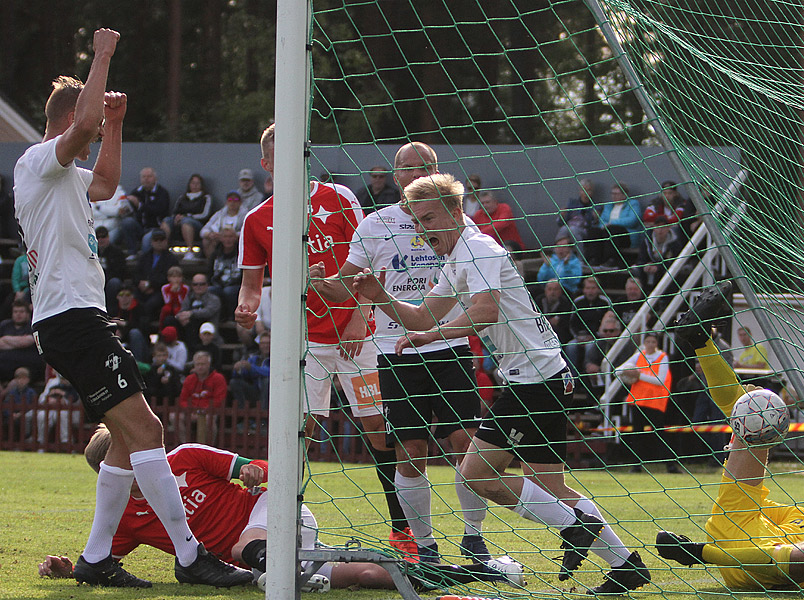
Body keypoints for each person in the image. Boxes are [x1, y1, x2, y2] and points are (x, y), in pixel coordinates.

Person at [12, 28, 248, 589]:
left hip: (74, 318)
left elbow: (110, 180)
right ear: (68, 119)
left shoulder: (64, 172)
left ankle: (96, 559)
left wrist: (116, 125)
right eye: (87, 127)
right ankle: (191, 558)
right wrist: (102, 55)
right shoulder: (38, 160)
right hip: (70, 318)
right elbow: (85, 126)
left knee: (124, 438)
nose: (91, 141)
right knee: (147, 431)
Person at [351, 173, 650, 594]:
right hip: (543, 377)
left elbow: (485, 312)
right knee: (552, 486)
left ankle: (574, 528)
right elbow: (421, 316)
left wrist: (432, 336)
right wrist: (380, 297)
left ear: (456, 213)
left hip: (534, 382)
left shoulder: (479, 247)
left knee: (477, 476)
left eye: (429, 218)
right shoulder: (457, 258)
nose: (422, 230)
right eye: (416, 222)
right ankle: (627, 565)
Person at [39, 426, 525, 594]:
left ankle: (274, 571)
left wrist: (253, 470)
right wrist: (65, 567)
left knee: (241, 545)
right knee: (371, 577)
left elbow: (263, 467)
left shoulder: (182, 458)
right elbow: (106, 559)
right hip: (252, 559)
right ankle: (491, 572)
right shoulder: (122, 515)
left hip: (270, 515)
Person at [310, 142, 491, 564]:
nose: (413, 174)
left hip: (450, 345)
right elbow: (346, 283)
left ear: (436, 172)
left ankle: (474, 537)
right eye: (405, 168)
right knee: (410, 451)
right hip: (395, 352)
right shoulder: (375, 224)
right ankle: (424, 547)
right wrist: (322, 282)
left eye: (423, 167)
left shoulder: (462, 224)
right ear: (395, 177)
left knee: (466, 444)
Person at [656, 281, 804, 592]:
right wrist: (747, 451)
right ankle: (699, 339)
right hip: (734, 526)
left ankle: (697, 553)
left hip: (761, 568)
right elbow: (759, 501)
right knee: (754, 407)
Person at [235, 123, 408, 558]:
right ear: (266, 164)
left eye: (296, 151)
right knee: (299, 433)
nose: (288, 160)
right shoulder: (257, 219)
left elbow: (372, 262)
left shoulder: (340, 198)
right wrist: (246, 307)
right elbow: (252, 284)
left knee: (378, 431)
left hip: (359, 336)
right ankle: (283, 528)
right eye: (279, 154)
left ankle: (403, 532)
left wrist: (360, 317)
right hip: (303, 343)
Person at [616, 331, 680, 474]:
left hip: (655, 402)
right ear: (644, 343)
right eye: (648, 342)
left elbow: (660, 380)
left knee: (659, 433)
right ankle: (636, 466)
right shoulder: (639, 355)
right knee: (637, 434)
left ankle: (670, 465)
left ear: (657, 344)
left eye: (653, 342)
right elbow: (618, 370)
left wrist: (639, 375)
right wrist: (628, 372)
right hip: (638, 400)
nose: (650, 345)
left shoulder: (662, 357)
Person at [585, 183, 643, 268]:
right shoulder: (609, 206)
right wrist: (604, 225)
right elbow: (602, 220)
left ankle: (611, 260)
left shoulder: (633, 204)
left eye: (616, 194)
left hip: (625, 235)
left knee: (613, 229)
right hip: (607, 232)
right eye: (612, 193)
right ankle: (594, 259)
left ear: (624, 194)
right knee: (594, 231)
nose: (614, 196)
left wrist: (612, 223)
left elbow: (633, 219)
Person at [564, 275, 611, 376]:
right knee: (570, 347)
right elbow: (572, 323)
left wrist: (593, 336)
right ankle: (573, 377)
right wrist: (578, 337)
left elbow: (607, 324)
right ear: (584, 290)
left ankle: (586, 378)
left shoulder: (605, 302)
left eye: (593, 288)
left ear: (598, 289)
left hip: (598, 337)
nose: (590, 291)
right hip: (579, 337)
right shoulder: (578, 302)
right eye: (588, 288)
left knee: (590, 347)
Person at [177, 350, 226, 445]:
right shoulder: (189, 379)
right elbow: (183, 399)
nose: (200, 367)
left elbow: (219, 400)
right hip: (191, 411)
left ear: (209, 364)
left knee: (209, 419)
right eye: (198, 364)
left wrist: (202, 412)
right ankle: (185, 444)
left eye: (203, 364)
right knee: (174, 417)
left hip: (210, 411)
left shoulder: (218, 378)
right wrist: (191, 411)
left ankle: (208, 446)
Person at [134, 229, 180, 325]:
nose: (159, 242)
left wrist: (150, 284)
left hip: (161, 291)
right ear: (151, 242)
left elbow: (168, 278)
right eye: (156, 240)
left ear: (166, 241)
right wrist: (140, 284)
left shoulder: (171, 259)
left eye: (162, 240)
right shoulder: (144, 257)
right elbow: (136, 274)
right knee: (134, 300)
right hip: (142, 290)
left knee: (150, 304)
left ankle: (146, 325)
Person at [124, 167, 171, 255]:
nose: (146, 179)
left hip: (156, 227)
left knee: (146, 239)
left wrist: (140, 205)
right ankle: (132, 253)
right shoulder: (136, 192)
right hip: (140, 226)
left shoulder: (162, 192)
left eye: (149, 176)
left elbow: (159, 210)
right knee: (127, 222)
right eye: (144, 177)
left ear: (155, 179)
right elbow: (132, 210)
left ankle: (145, 261)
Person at [163, 173, 213, 257]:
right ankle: (163, 248)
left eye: (197, 183)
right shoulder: (182, 197)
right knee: (166, 221)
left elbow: (205, 215)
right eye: (193, 183)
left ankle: (190, 251)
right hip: (179, 221)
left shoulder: (206, 197)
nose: (195, 186)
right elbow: (175, 211)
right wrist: (176, 218)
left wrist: (187, 216)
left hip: (196, 224)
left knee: (186, 222)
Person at [0, 300, 45, 381]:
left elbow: (27, 342)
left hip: (27, 364)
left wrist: (5, 339)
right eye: (15, 311)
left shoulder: (32, 325)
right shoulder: (5, 325)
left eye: (21, 311)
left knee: (21, 373)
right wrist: (19, 340)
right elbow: (22, 342)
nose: (18, 314)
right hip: (4, 363)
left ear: (28, 313)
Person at [177, 273, 221, 352]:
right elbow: (182, 311)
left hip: (206, 328)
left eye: (202, 284)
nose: (198, 287)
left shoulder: (214, 299)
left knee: (193, 323)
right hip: (188, 328)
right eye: (195, 284)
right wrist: (181, 317)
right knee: (170, 321)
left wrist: (190, 314)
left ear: (207, 285)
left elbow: (208, 312)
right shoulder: (189, 297)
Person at [200, 190, 249, 258]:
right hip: (220, 238)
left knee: (230, 239)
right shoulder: (219, 214)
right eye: (230, 200)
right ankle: (212, 263)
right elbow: (203, 230)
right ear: (226, 202)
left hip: (237, 238)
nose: (232, 202)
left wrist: (233, 235)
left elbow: (249, 232)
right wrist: (209, 234)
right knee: (206, 240)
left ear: (240, 203)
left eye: (236, 200)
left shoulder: (245, 215)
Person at [207, 227, 242, 319]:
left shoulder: (241, 253)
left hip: (235, 284)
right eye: (225, 237)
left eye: (231, 237)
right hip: (218, 284)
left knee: (228, 291)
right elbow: (210, 272)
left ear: (235, 238)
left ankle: (231, 316)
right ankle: (216, 318)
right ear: (221, 238)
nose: (228, 240)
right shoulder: (215, 254)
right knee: (211, 290)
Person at [536, 232, 583, 297]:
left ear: (569, 248)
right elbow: (540, 279)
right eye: (558, 246)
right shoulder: (551, 260)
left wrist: (566, 266)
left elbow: (574, 281)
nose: (560, 249)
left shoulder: (575, 262)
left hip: (567, 291)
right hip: (549, 289)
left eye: (563, 246)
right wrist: (546, 266)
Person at [94, 225, 127, 312]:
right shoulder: (92, 253)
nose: (101, 240)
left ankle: (111, 311)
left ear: (108, 237)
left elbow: (121, 271)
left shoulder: (117, 252)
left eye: (103, 237)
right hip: (95, 281)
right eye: (98, 237)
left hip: (110, 281)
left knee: (114, 282)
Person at [535, 279, 573, 346]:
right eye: (550, 289)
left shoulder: (565, 303)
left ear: (560, 291)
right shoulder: (539, 301)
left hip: (559, 334)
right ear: (545, 291)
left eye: (555, 289)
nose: (552, 292)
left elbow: (565, 320)